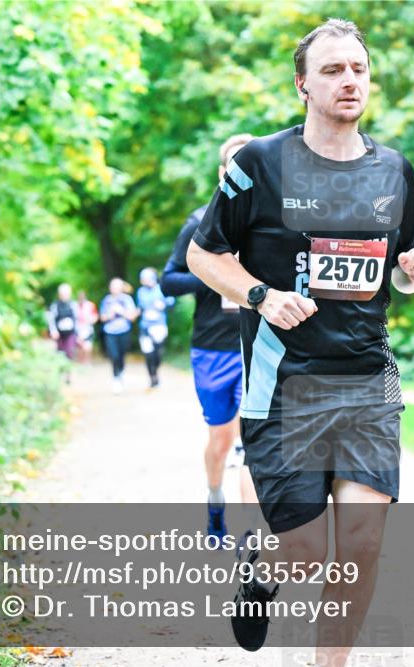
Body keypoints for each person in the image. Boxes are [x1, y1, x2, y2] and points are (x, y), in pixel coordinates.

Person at [186, 19, 414, 666]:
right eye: (332, 70)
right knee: (301, 554)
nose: (348, 79)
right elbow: (202, 253)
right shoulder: (259, 165)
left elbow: (406, 265)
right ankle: (261, 569)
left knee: (360, 546)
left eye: (357, 68)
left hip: (367, 382)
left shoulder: (394, 171)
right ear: (303, 84)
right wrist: (261, 296)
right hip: (284, 385)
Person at [162, 133, 259, 547]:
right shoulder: (200, 221)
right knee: (221, 438)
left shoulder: (273, 224)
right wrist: (212, 275)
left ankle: (251, 533)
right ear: (223, 173)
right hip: (213, 347)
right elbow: (169, 280)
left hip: (260, 346)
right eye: (235, 165)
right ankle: (215, 501)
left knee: (254, 442)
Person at [99, 277, 138, 394]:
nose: (114, 289)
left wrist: (121, 311)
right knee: (113, 355)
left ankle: (121, 372)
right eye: (112, 286)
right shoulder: (106, 300)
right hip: (110, 332)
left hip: (124, 331)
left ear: (121, 288)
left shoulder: (127, 299)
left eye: (117, 286)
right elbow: (102, 317)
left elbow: (132, 317)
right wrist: (109, 315)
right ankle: (116, 377)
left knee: (121, 355)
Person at [136, 267, 168, 388]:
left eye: (146, 279)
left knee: (158, 352)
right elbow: (140, 306)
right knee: (148, 353)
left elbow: (170, 301)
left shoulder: (161, 289)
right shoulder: (140, 292)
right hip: (145, 326)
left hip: (159, 325)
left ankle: (156, 370)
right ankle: (152, 377)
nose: (144, 281)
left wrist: (163, 304)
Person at [46, 283, 79, 373]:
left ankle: (68, 372)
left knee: (70, 351)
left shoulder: (73, 304)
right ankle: (61, 370)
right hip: (59, 333)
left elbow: (77, 319)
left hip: (71, 332)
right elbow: (51, 319)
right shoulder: (55, 305)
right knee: (60, 352)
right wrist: (53, 331)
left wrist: (78, 333)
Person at [75, 290, 99, 362]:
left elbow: (96, 317)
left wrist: (90, 320)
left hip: (88, 330)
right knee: (79, 348)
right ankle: (80, 362)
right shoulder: (74, 306)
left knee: (87, 347)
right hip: (78, 330)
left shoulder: (90, 305)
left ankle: (87, 361)